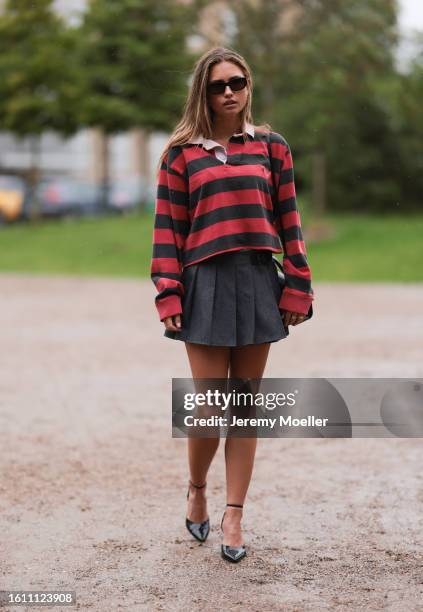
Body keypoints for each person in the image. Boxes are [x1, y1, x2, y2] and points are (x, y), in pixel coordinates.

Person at [150, 46, 314, 563]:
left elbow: (290, 220)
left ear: (248, 86)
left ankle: (235, 512)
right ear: (204, 90)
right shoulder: (180, 155)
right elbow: (168, 232)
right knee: (207, 408)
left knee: (244, 409)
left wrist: (298, 283)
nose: (229, 92)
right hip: (203, 283)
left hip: (257, 280)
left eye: (237, 82)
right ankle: (197, 487)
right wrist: (167, 291)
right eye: (218, 84)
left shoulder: (272, 148)